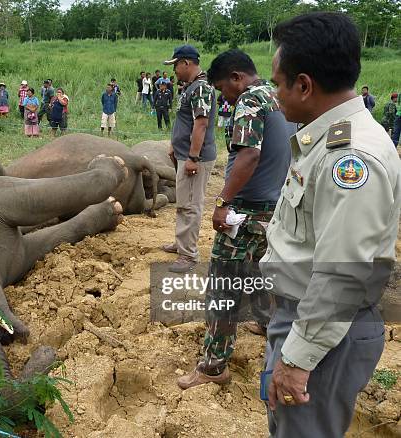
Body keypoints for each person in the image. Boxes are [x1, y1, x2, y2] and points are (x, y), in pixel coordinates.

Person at [261, 12, 400, 438]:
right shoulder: (328, 138)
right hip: (306, 323)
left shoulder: (350, 158)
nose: (274, 94)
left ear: (304, 85)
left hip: (324, 335)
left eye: (278, 83)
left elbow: (343, 273)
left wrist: (297, 359)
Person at [177, 49, 294, 390]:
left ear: (236, 78)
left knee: (222, 290)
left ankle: (213, 367)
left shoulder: (250, 101)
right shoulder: (278, 99)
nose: (222, 98)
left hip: (244, 214)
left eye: (222, 89)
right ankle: (265, 322)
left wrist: (222, 202)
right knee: (262, 275)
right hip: (273, 211)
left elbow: (249, 154)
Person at [160, 45, 217, 273]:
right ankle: (182, 243)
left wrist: (193, 156)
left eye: (175, 65)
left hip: (196, 158)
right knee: (184, 201)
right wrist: (176, 145)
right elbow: (185, 120)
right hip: (185, 154)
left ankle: (189, 255)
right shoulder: (190, 87)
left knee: (190, 204)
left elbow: (201, 124)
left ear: (186, 63)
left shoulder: (201, 88)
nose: (173, 70)